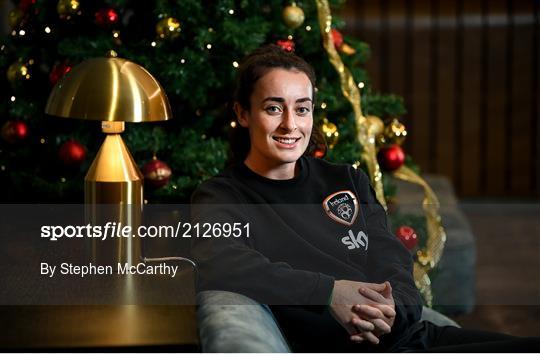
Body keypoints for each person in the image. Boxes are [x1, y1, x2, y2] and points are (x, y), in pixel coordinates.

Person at [190, 44, 539, 352]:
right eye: (273, 108)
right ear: (242, 113)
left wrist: (396, 310)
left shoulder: (347, 179)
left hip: (413, 338)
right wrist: (330, 293)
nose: (290, 125)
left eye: (302, 108)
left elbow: (391, 256)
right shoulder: (222, 196)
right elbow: (223, 262)